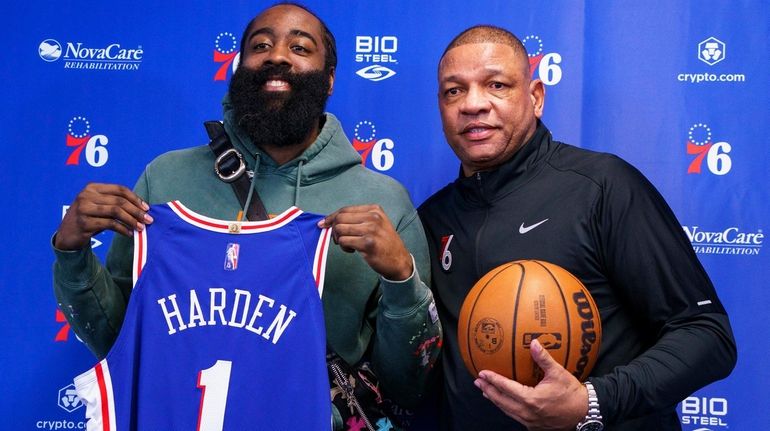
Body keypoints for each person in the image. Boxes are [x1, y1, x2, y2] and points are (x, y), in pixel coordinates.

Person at [53, 3, 440, 429]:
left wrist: (403, 280)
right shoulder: (166, 178)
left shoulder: (381, 201)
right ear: (239, 68)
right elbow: (118, 340)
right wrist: (73, 255)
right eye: (260, 45)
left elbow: (405, 384)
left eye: (300, 46)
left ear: (329, 79)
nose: (277, 55)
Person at [418, 25, 736, 430]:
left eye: (496, 85)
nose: (473, 104)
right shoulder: (432, 218)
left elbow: (706, 334)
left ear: (535, 98)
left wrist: (592, 402)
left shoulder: (603, 187)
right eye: (454, 91)